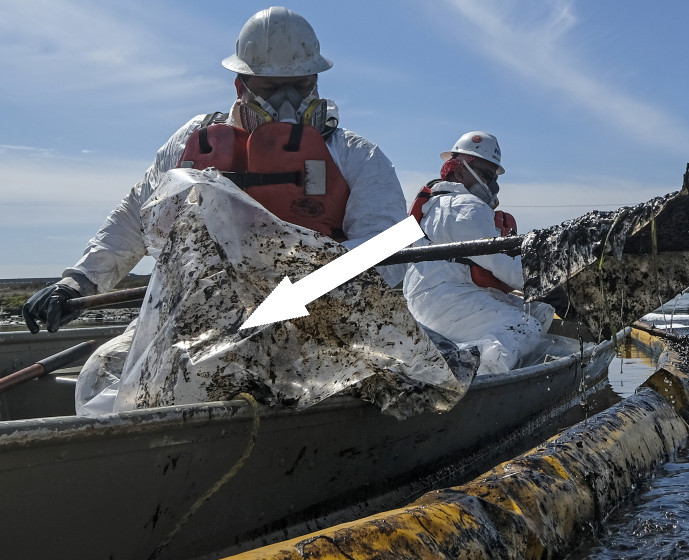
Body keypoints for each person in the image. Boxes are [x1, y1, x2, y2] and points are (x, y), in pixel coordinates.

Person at [22, 6, 407, 335]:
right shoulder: (192, 143)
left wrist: (291, 299)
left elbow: (386, 251)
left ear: (316, 82)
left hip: (315, 321)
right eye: (272, 87)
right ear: (242, 85)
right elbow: (135, 217)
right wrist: (80, 281)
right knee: (106, 387)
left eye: (300, 86)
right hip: (196, 318)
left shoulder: (357, 156)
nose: (288, 102)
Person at [403, 132, 554, 374]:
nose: (492, 184)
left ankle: (494, 359)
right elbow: (507, 268)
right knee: (525, 326)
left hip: (433, 297)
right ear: (459, 171)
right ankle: (479, 373)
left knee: (540, 311)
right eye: (486, 175)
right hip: (447, 301)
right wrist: (555, 281)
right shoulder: (467, 207)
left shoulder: (433, 205)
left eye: (494, 177)